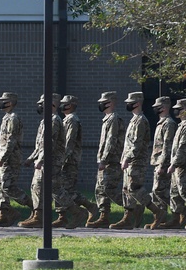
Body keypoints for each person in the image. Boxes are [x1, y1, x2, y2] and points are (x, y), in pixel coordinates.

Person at [111, 91, 158, 229]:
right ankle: (128, 218)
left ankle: (157, 211)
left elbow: (136, 144)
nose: (127, 105)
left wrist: (127, 158)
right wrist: (123, 158)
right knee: (126, 189)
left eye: (130, 103)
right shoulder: (134, 120)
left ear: (137, 103)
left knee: (134, 188)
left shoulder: (141, 121)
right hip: (129, 161)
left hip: (136, 161)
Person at [20, 93, 65, 228]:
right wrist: (31, 158)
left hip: (50, 161)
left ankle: (72, 211)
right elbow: (40, 145)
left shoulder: (54, 120)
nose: (40, 106)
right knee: (36, 187)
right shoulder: (45, 121)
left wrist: (40, 159)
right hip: (42, 160)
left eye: (42, 103)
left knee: (47, 188)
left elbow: (48, 143)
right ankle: (37, 215)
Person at [55, 95, 97, 228]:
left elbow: (69, 142)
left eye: (64, 104)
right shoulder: (66, 119)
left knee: (67, 189)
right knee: (63, 188)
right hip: (64, 159)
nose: (61, 106)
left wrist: (62, 159)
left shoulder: (72, 120)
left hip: (69, 160)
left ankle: (85, 209)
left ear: (71, 105)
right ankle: (63, 216)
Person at [87, 91, 124, 228]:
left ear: (110, 103)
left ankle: (132, 209)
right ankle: (104, 216)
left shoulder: (114, 119)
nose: (100, 104)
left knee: (109, 189)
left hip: (112, 161)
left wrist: (104, 159)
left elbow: (111, 141)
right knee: (100, 189)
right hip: (106, 160)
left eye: (103, 102)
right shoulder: (107, 119)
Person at [0, 91, 24, 227]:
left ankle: (33, 206)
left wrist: (3, 158)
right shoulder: (6, 118)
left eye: (4, 101)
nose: (1, 103)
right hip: (2, 158)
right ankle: (4, 214)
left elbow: (11, 141)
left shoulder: (13, 118)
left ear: (11, 103)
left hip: (10, 158)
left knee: (7, 186)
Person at [164, 98, 186, 229]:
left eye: (180, 108)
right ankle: (175, 218)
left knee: (185, 191)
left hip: (185, 165)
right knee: (174, 193)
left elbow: (183, 147)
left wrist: (174, 163)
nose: (176, 111)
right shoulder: (181, 125)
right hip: (177, 165)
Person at [146, 96, 176, 229]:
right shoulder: (161, 122)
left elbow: (167, 146)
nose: (154, 108)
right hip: (158, 162)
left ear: (163, 107)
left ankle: (169, 215)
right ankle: (160, 218)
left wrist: (163, 165)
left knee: (159, 191)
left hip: (162, 163)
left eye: (157, 106)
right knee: (159, 191)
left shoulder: (168, 123)